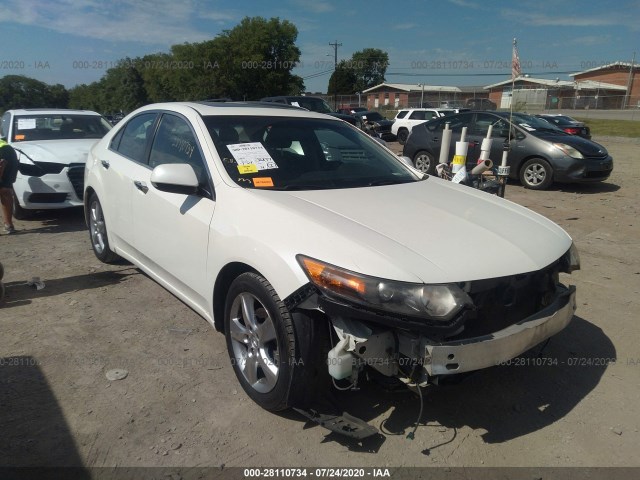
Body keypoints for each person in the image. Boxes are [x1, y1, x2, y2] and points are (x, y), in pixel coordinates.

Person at [0, 135, 19, 234]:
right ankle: (8, 225)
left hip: (4, 154)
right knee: (5, 190)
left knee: (4, 190)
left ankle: (8, 225)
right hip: (8, 153)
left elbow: (1, 164)